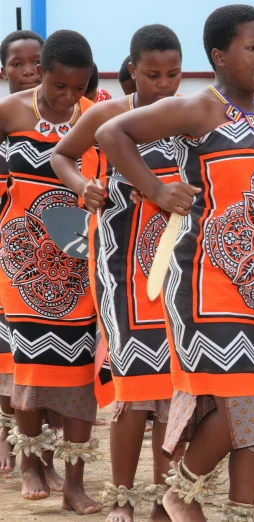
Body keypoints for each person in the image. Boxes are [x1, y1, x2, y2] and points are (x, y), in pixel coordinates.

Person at [96, 5, 254, 521]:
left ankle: (240, 512)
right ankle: (178, 493)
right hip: (208, 287)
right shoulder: (200, 110)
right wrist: (157, 188)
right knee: (240, 402)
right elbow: (113, 135)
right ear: (219, 56)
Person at [52, 24, 184, 522]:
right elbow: (60, 156)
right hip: (120, 267)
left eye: (172, 74)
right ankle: (124, 499)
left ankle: (163, 499)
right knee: (135, 385)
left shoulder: (189, 117)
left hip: (178, 270)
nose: (163, 85)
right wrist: (85, 185)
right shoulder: (110, 115)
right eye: (152, 75)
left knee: (175, 390)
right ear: (132, 70)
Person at [0, 29, 101, 514]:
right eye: (59, 86)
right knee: (31, 368)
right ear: (41, 74)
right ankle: (32, 462)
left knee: (79, 370)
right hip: (22, 262)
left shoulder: (95, 114)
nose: (68, 97)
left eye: (78, 88)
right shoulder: (12, 111)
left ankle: (75, 480)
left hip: (80, 262)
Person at [0, 29, 57, 483]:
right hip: (11, 250)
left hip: (59, 253)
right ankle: (17, 449)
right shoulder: (5, 115)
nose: (28, 71)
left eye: (36, 62)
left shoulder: (74, 113)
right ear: (4, 71)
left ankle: (48, 458)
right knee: (13, 357)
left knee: (53, 360)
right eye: (17, 64)